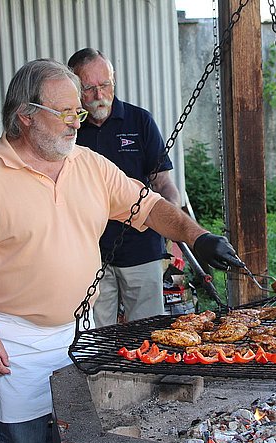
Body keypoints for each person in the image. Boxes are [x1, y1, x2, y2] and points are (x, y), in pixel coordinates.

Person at [0, 58, 243, 443]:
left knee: (81, 437)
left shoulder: (87, 164)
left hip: (79, 335)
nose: (77, 120)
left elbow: (151, 205)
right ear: (25, 116)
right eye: (65, 112)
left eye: (78, 111)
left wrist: (197, 236)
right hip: (14, 346)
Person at [67, 48, 181, 326]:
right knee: (97, 338)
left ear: (113, 80)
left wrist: (173, 224)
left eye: (105, 84)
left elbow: (164, 184)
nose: (98, 95)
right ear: (74, 87)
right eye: (89, 88)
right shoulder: (69, 129)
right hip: (89, 254)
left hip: (141, 249)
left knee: (148, 332)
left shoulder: (139, 121)